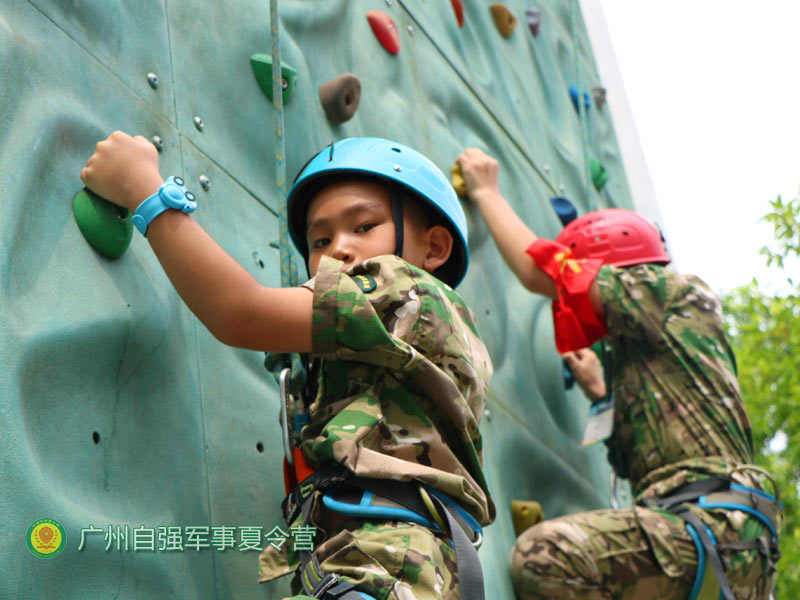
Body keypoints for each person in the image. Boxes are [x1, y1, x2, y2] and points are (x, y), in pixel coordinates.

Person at [80, 134, 495, 600]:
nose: (337, 249)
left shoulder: (405, 290)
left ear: (433, 249)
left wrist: (143, 189)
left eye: (363, 226)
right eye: (320, 239)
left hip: (385, 559)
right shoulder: (383, 348)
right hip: (385, 564)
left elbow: (240, 313)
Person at [454, 147, 782, 600]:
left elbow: (539, 272)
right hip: (719, 537)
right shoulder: (660, 344)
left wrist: (486, 190)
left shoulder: (669, 292)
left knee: (544, 556)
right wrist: (603, 393)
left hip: (713, 524)